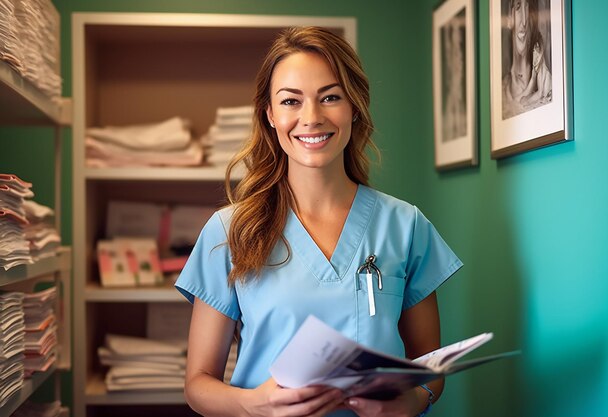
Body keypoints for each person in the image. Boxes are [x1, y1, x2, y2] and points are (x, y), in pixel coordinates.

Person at [175, 26, 462, 417]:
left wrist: (411, 401)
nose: (311, 117)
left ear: (354, 107)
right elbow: (198, 385)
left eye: (330, 97)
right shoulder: (228, 232)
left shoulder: (405, 226)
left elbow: (430, 370)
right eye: (291, 101)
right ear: (270, 115)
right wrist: (253, 404)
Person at [502, 0, 552, 119]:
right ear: (509, 18)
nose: (524, 22)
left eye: (528, 9)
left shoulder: (545, 83)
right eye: (518, 7)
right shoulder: (500, 95)